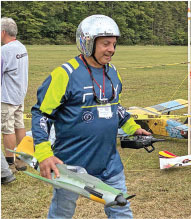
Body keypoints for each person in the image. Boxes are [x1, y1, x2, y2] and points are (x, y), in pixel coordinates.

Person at [31, 14, 151, 218]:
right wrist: (44, 154)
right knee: (62, 212)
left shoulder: (113, 72)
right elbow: (41, 114)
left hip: (109, 163)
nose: (112, 49)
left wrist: (132, 128)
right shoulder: (65, 74)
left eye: (114, 44)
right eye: (106, 44)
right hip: (70, 166)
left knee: (121, 210)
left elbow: (116, 107)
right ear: (87, 42)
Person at [1, 17, 28, 172]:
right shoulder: (22, 47)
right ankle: (21, 160)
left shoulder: (4, 51)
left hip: (7, 96)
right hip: (19, 94)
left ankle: (10, 163)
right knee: (19, 125)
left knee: (7, 129)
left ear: (3, 32)